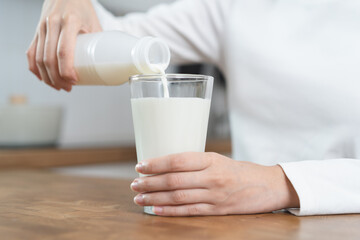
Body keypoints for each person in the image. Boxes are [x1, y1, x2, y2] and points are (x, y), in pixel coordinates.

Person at [26, 0, 360, 217]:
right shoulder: (235, 8)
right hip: (239, 227)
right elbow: (117, 39)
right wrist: (71, 3)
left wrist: (277, 184)